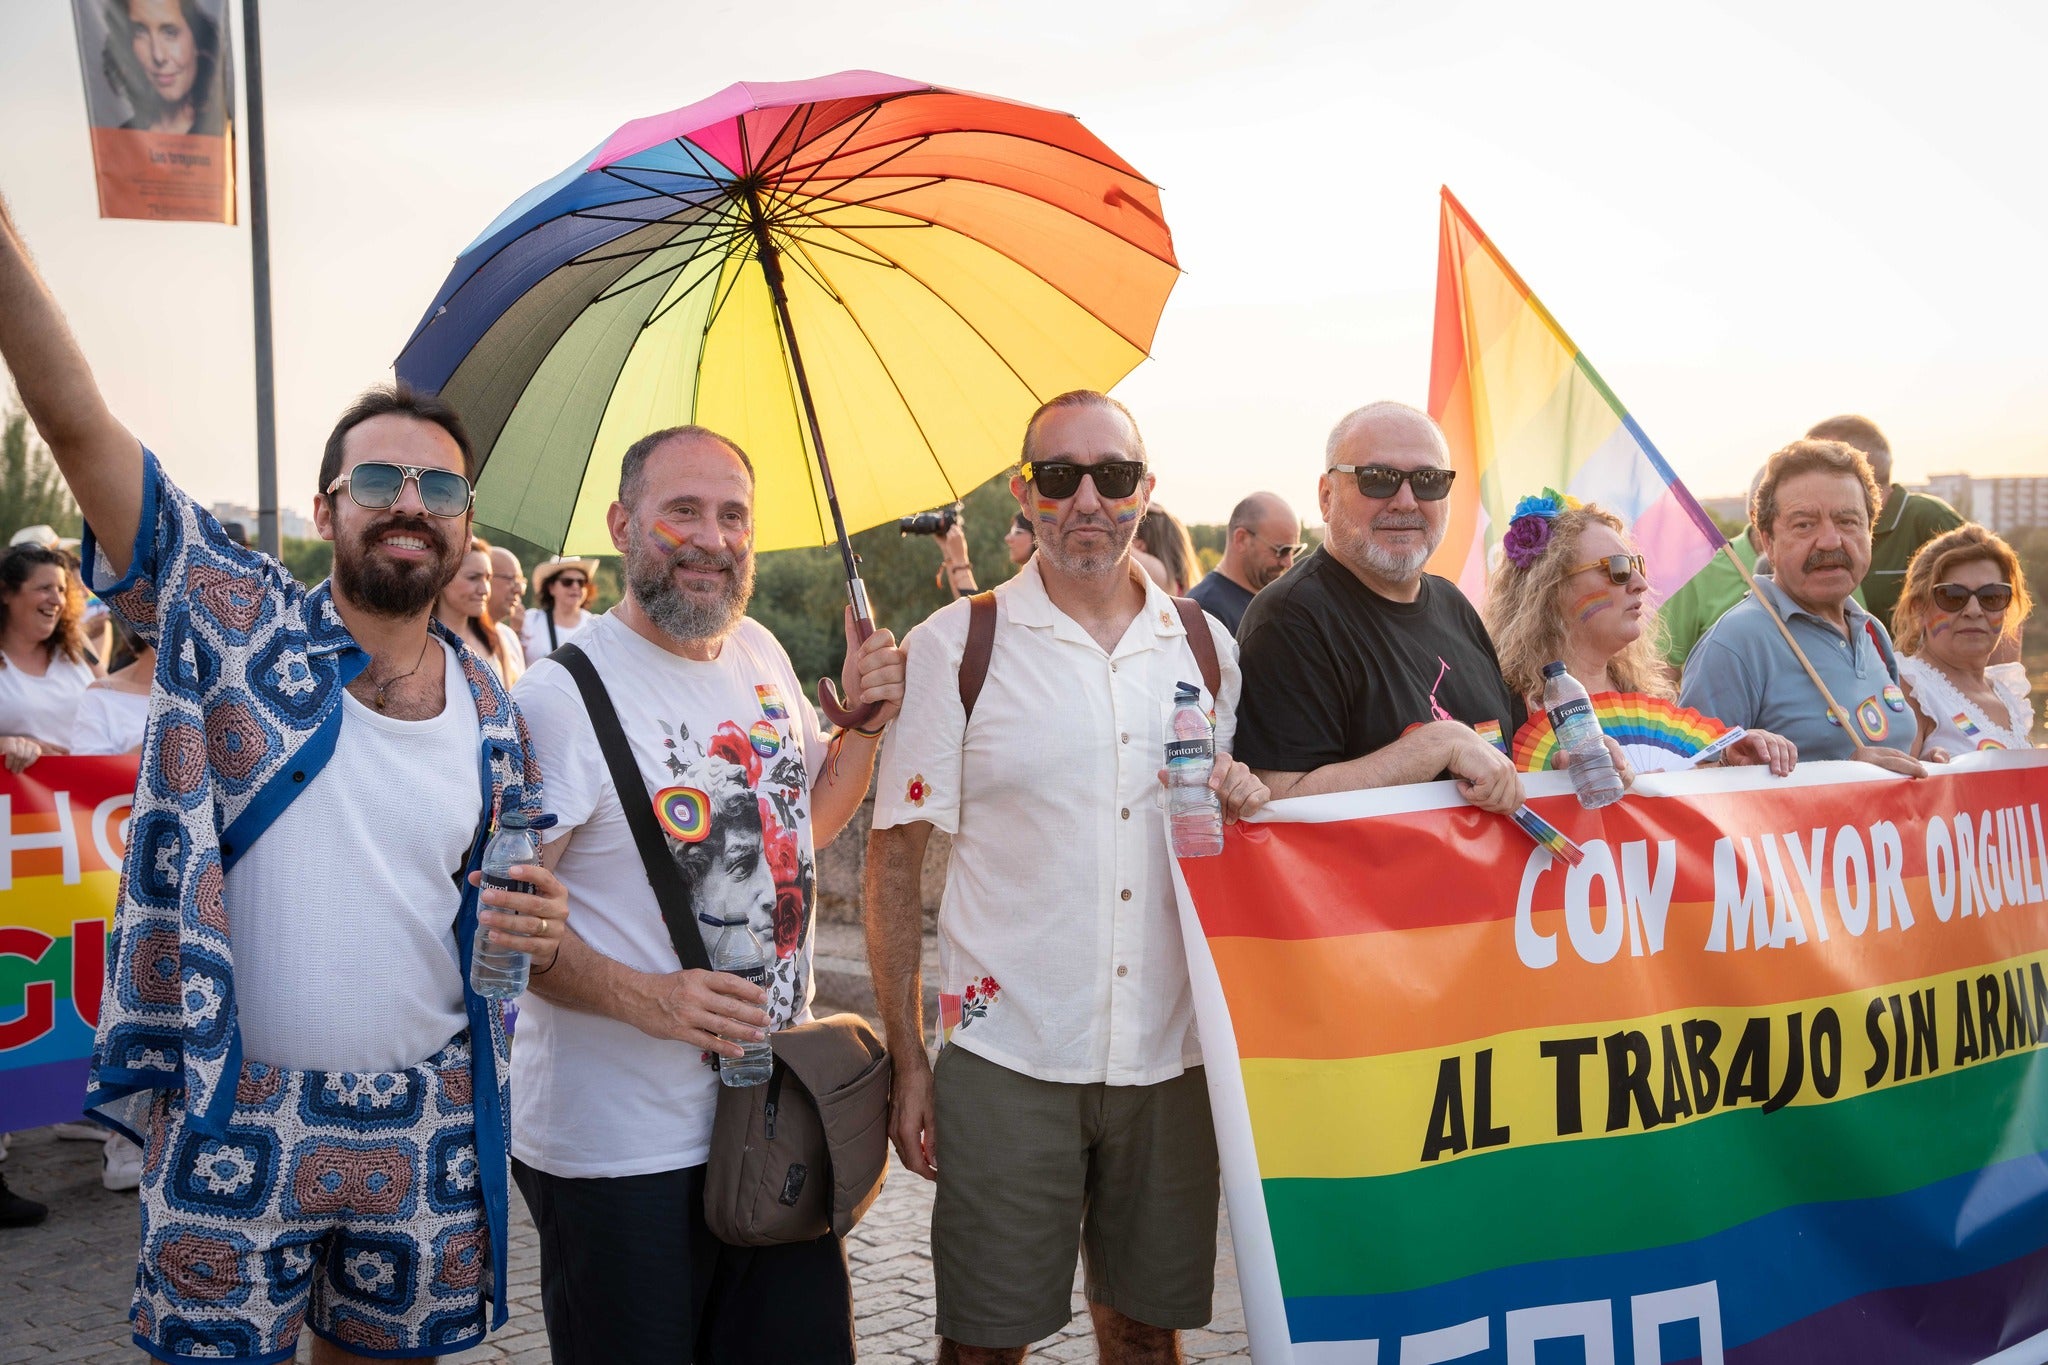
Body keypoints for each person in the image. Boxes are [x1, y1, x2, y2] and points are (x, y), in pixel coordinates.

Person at [2, 186, 569, 1365]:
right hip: (231, 1116)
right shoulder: (235, 619)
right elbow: (72, 420)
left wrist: (533, 915)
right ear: (326, 511)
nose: (410, 504)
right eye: (379, 482)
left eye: (440, 488)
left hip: (422, 1122)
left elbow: (494, 906)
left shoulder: (491, 707)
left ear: (466, 532)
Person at [868, 390, 1266, 1365]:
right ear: (1024, 492)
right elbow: (890, 863)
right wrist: (910, 1062)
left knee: (1142, 1338)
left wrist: (1244, 795)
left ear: (1145, 489)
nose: (1087, 498)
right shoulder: (954, 645)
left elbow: (1220, 835)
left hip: (1167, 1059)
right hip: (1009, 1057)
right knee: (984, 1344)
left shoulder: (1209, 648)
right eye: (1059, 476)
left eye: (1113, 475)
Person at [508, 423, 905, 1365]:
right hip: (620, 1152)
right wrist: (649, 997)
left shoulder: (759, 652)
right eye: (680, 511)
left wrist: (864, 730)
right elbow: (505, 918)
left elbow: (804, 819)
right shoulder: (559, 700)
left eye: (733, 516)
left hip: (773, 1120)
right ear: (622, 523)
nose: (710, 538)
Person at [1233, 401, 1532, 814]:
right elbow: (1279, 802)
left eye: (1428, 480)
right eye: (1379, 479)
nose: (1406, 501)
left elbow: (1505, 753)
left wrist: (1562, 764)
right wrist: (1435, 745)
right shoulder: (1290, 618)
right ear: (1326, 496)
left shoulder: (1455, 606)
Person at [1484, 493, 1797, 775]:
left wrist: (1728, 760)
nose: (1639, 584)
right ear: (1551, 588)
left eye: (1638, 566)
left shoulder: (1645, 697)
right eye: (1617, 569)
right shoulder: (1501, 704)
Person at [1680, 439, 1936, 775]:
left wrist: (1927, 768)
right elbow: (1686, 783)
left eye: (1847, 521)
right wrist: (1846, 774)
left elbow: (1886, 749)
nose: (1830, 540)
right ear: (1768, 541)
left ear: (1869, 532)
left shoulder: (1872, 632)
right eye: (1804, 524)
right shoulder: (1736, 643)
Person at [63, 619, 157, 1192]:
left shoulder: (217, 688)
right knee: (131, 992)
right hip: (118, 869)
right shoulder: (102, 697)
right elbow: (80, 782)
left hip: (208, 870)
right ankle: (123, 1140)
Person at [1805, 415, 1962, 633]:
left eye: (1816, 461)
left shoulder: (1930, 519)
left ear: (1861, 464)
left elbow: (1993, 600)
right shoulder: (1823, 535)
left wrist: (2002, 668)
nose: (1802, 474)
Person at [1892, 524, 2036, 752]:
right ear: (1918, 609)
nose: (1974, 610)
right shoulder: (1909, 691)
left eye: (1992, 596)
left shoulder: (2007, 694)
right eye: (1952, 596)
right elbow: (1891, 785)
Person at [0, 541, 97, 773]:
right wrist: (4, 745)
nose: (56, 600)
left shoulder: (75, 647)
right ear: (6, 593)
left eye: (62, 590)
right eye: (44, 588)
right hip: (18, 805)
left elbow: (111, 699)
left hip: (85, 799)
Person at [1187, 491, 1302, 636]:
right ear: (1241, 539)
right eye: (1281, 550)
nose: (1289, 563)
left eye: (1293, 551)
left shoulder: (1271, 601)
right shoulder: (1204, 611)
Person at [107, 0, 226, 137]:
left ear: (197, 39)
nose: (158, 56)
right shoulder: (123, 139)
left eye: (170, 33)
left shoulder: (227, 135)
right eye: (140, 32)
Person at [437, 538, 511, 684]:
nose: (484, 590)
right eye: (473, 578)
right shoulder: (421, 641)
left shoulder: (493, 639)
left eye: (488, 578)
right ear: (443, 578)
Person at [523, 556, 598, 663]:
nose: (575, 586)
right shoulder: (530, 621)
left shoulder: (594, 625)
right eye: (567, 582)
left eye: (581, 582)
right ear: (551, 588)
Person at [1134, 504, 1198, 596]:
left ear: (1140, 545)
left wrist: (1135, 508)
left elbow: (1116, 544)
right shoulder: (1178, 585)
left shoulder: (1159, 574)